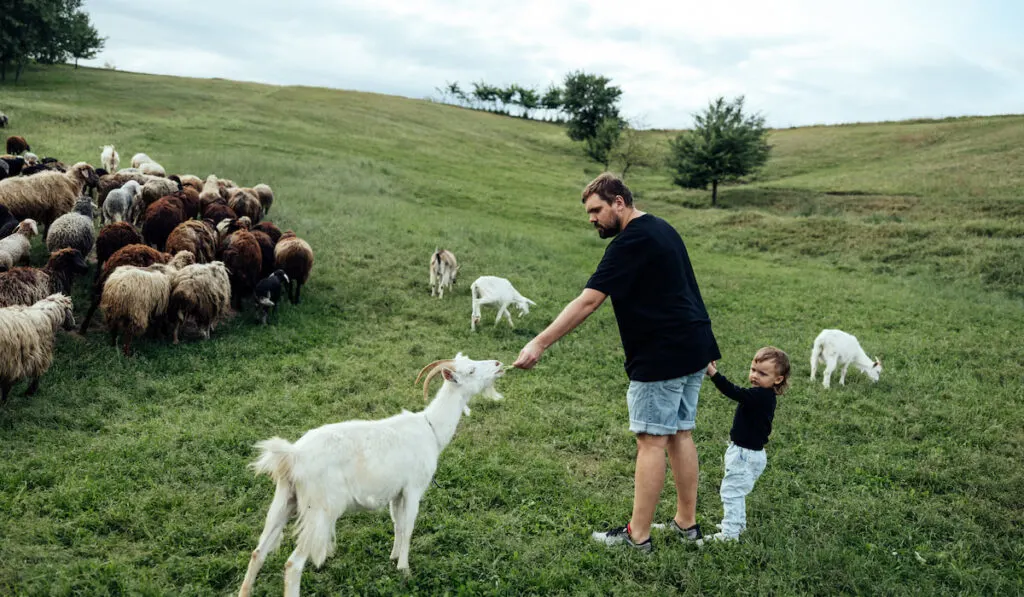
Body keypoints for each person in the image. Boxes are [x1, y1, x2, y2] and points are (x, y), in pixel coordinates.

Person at [513, 172, 720, 552]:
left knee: (651, 442)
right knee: (681, 434)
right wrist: (703, 348)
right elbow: (688, 288)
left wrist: (539, 343)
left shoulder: (630, 242)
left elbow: (589, 301)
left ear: (619, 203)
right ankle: (687, 525)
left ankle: (638, 536)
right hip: (693, 348)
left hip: (663, 356)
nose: (592, 219)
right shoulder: (662, 228)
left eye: (597, 210)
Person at [701, 347, 791, 543]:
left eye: (762, 373)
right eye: (753, 370)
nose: (755, 376)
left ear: (778, 379)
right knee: (737, 491)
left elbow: (732, 391)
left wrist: (713, 373)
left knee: (731, 492)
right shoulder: (763, 395)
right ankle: (737, 524)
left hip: (744, 455)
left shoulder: (761, 396)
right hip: (750, 453)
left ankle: (730, 534)